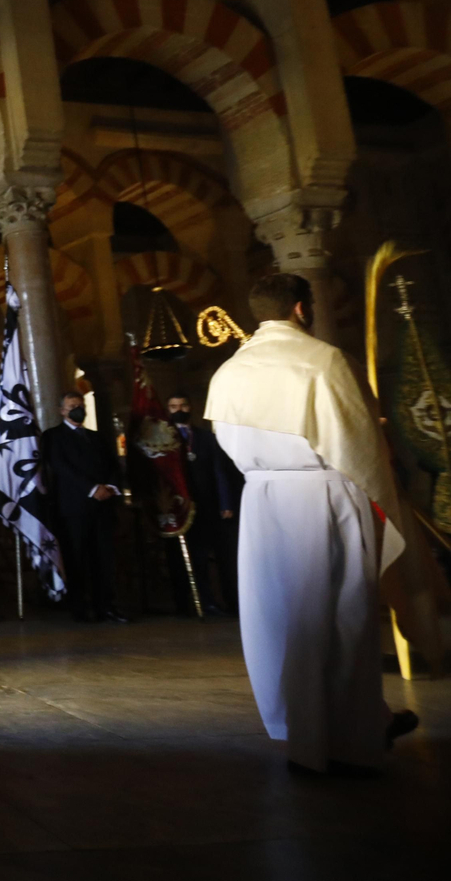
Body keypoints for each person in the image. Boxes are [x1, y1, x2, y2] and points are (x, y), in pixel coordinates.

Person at [205, 273, 417, 776]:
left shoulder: (230, 371)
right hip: (324, 495)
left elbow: (224, 440)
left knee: (277, 616)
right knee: (340, 617)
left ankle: (300, 727)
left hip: (262, 499)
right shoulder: (323, 361)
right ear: (301, 308)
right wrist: (384, 489)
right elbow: (359, 448)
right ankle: (338, 740)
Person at [40, 392, 128, 624]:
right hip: (73, 508)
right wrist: (91, 488)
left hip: (102, 506)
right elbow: (60, 466)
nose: (77, 409)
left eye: (80, 405)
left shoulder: (96, 437)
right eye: (72, 406)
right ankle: (80, 607)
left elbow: (113, 465)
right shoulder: (53, 436)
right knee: (77, 558)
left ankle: (106, 606)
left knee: (104, 559)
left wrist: (109, 487)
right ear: (62, 411)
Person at [165, 394, 241, 616]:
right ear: (168, 410)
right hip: (179, 509)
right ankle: (192, 604)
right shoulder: (163, 438)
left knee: (220, 557)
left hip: (210, 507)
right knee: (189, 560)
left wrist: (226, 503)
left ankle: (227, 602)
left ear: (191, 407)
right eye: (173, 406)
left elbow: (220, 471)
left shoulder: (207, 437)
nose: (179, 409)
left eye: (183, 404)